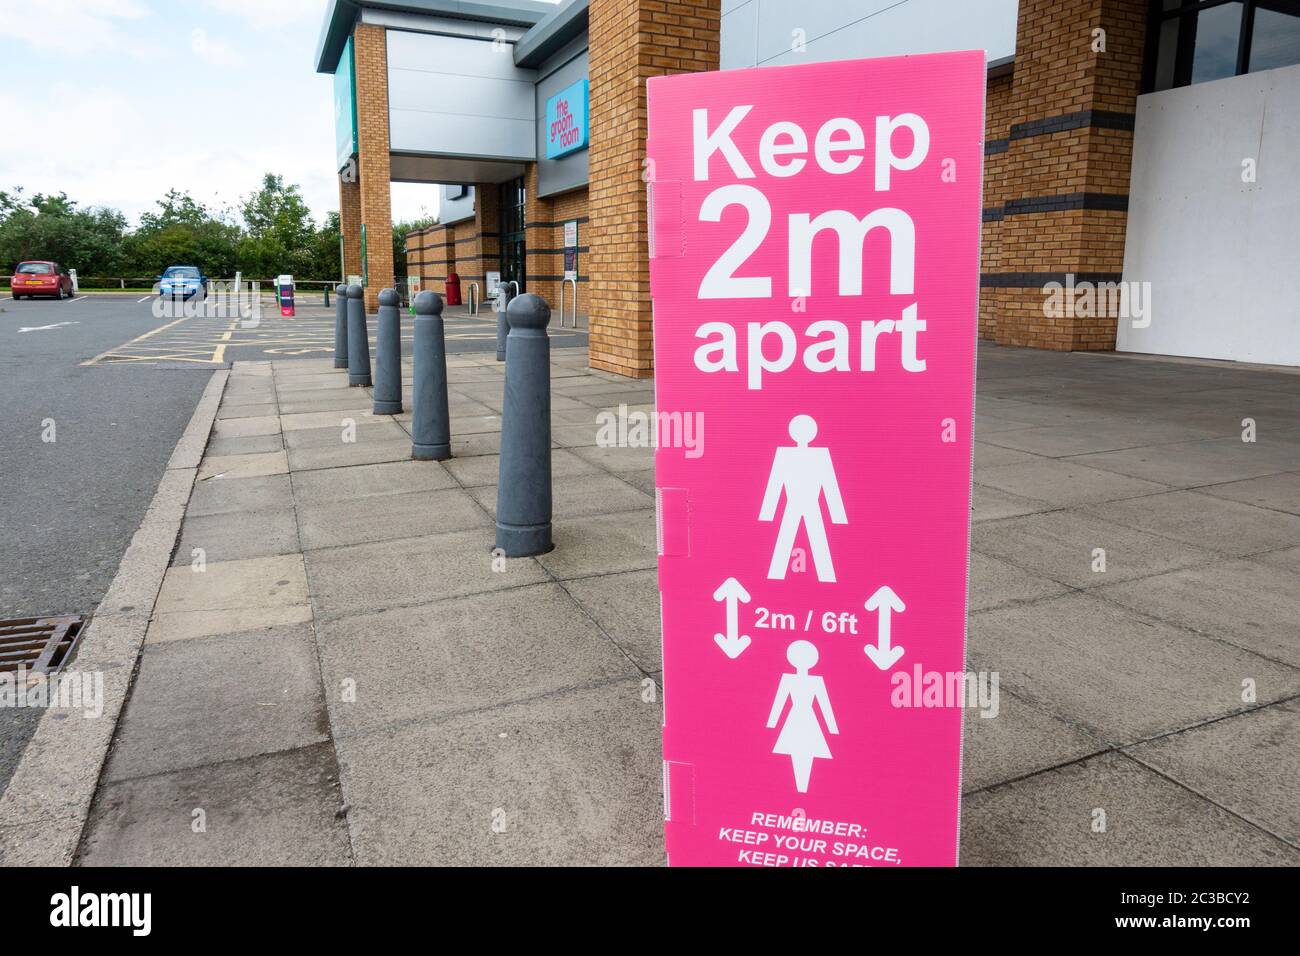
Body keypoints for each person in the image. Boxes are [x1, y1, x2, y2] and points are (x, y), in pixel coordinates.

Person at [759, 415, 847, 582]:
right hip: (793, 504)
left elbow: (830, 484)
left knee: (815, 538)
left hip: (810, 504)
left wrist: (837, 515)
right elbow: (775, 482)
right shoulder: (785, 454)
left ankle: (826, 576)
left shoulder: (820, 455)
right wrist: (767, 512)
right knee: (788, 540)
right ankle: (780, 574)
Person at [767, 640, 838, 793]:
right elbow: (779, 702)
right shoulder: (789, 679)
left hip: (805, 720)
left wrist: (832, 727)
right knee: (798, 752)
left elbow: (824, 704)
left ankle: (802, 789)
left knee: (805, 752)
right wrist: (772, 723)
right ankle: (801, 789)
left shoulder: (814, 681)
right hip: (797, 719)